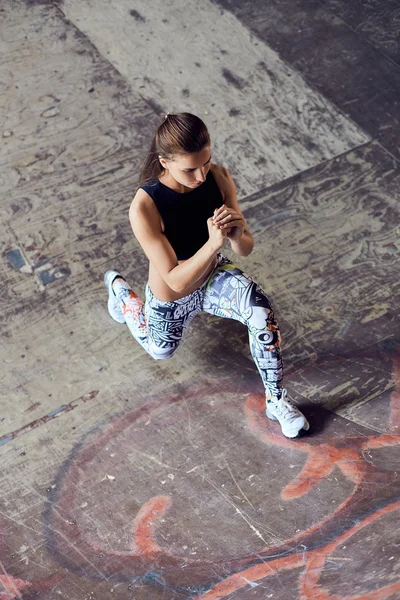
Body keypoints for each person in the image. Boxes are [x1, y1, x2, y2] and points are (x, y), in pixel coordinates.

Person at [104, 112, 309, 438]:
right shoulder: (144, 207)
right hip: (172, 296)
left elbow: (244, 248)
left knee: (261, 310)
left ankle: (276, 400)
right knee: (160, 350)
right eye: (189, 169)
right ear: (164, 162)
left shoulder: (219, 177)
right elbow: (174, 279)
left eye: (206, 161)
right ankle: (121, 293)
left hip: (214, 279)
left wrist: (237, 233)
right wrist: (214, 242)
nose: (201, 175)